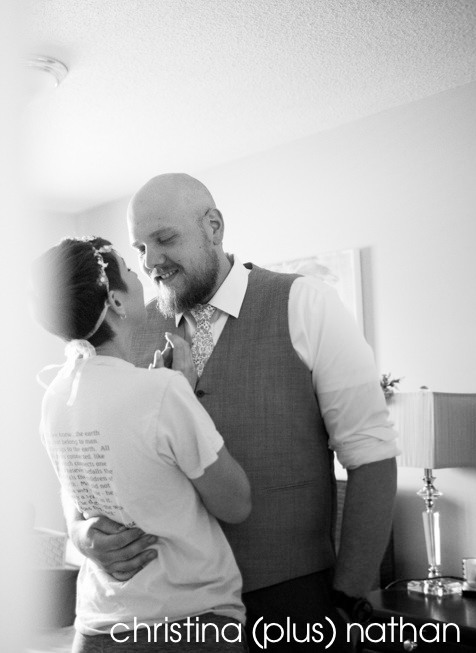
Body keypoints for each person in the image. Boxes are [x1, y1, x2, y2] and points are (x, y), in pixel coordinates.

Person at [68, 173, 400, 651]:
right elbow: (74, 452)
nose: (150, 262)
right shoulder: (125, 331)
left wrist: (347, 601)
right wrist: (79, 534)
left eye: (164, 239)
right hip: (162, 620)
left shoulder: (307, 304)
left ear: (214, 225)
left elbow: (371, 456)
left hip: (290, 605)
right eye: (139, 249)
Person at [31, 236, 252, 652]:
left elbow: (76, 493)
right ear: (115, 300)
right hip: (188, 625)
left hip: (97, 628)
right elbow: (236, 503)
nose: (143, 273)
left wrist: (169, 394)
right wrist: (180, 398)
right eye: (131, 271)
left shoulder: (54, 397)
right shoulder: (161, 392)